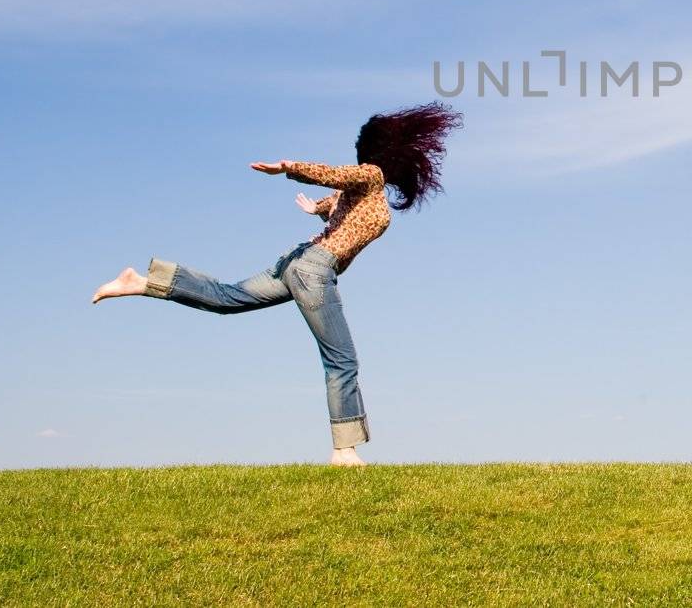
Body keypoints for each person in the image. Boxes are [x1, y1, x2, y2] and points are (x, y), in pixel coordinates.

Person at [92, 102, 462, 467]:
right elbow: (336, 175)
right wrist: (290, 168)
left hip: (297, 264)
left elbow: (333, 201)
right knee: (342, 361)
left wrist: (314, 208)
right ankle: (344, 452)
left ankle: (143, 282)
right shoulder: (371, 176)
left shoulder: (362, 194)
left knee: (227, 297)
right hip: (315, 270)